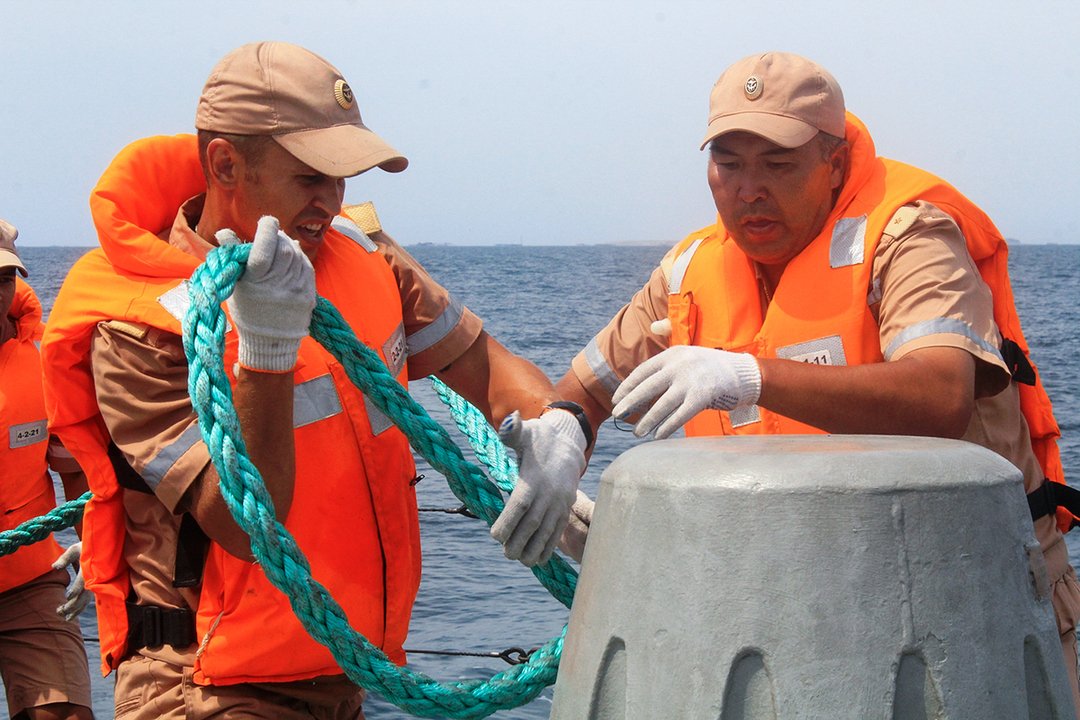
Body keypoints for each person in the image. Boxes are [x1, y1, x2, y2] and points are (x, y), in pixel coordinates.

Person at [39, 42, 588, 719]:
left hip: (344, 677)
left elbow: (484, 366)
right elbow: (245, 525)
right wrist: (267, 351)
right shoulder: (138, 328)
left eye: (342, 178)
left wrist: (556, 437)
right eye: (310, 178)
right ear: (225, 164)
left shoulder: (364, 258)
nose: (331, 202)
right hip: (203, 689)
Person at [555, 51, 1080, 711]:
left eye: (778, 164)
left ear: (833, 165)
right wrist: (560, 436)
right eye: (728, 163)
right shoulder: (689, 268)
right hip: (773, 614)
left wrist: (748, 376)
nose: (749, 190)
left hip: (962, 607)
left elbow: (941, 395)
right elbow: (582, 389)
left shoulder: (907, 237)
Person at [0, 219, 94, 720]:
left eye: (2, 278)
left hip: (30, 579)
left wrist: (95, 552)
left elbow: (75, 477)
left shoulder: (44, 367)